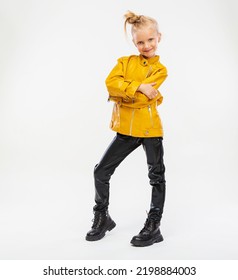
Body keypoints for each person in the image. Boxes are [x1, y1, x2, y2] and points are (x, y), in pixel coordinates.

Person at [86, 11, 168, 247]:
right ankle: (102, 217)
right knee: (101, 171)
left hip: (150, 130)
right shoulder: (124, 62)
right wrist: (140, 86)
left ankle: (154, 225)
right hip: (125, 130)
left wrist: (125, 92)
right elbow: (110, 84)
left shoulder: (160, 70)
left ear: (159, 38)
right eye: (141, 42)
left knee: (156, 176)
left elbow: (136, 98)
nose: (146, 45)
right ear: (134, 43)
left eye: (150, 40)